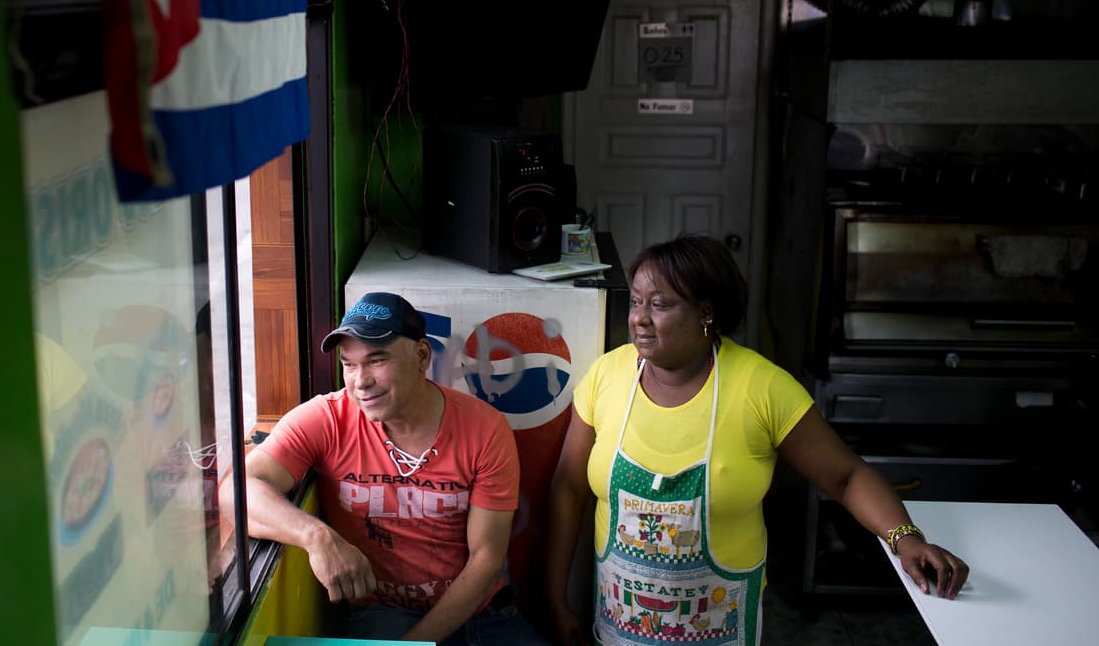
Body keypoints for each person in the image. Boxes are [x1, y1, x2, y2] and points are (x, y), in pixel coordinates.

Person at [544, 235, 969, 646]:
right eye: (637, 302)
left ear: (705, 313)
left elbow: (846, 476)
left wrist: (905, 537)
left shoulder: (762, 388)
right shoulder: (606, 376)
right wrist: (555, 599)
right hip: (620, 629)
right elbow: (567, 489)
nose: (639, 318)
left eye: (660, 305)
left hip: (719, 633)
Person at [245, 291, 548, 645]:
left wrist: (414, 644)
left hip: (481, 612)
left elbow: (486, 560)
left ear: (421, 355)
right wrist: (317, 537)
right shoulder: (327, 418)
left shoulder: (484, 429)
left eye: (376, 360)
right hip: (382, 613)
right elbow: (239, 490)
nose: (360, 381)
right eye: (349, 364)